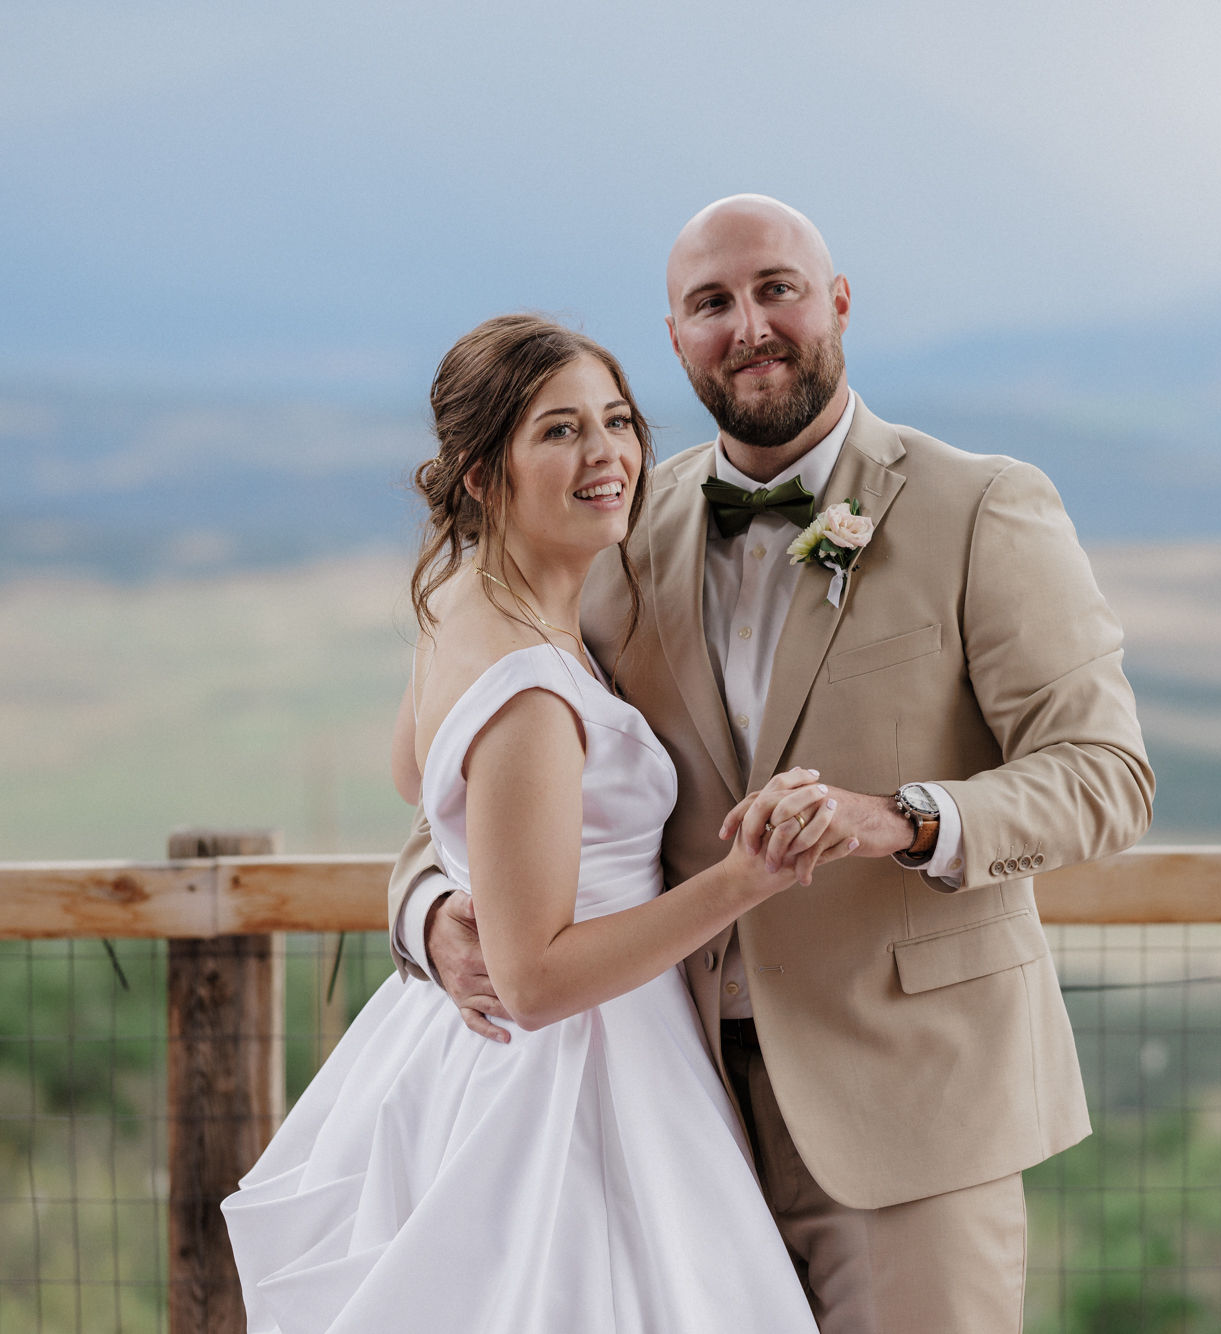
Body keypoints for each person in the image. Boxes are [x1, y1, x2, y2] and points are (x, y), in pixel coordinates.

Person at [389, 196, 1156, 1331]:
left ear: (837, 301)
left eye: (775, 288)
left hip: (910, 1109)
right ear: (676, 338)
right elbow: (493, 748)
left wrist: (904, 817)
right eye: (711, 304)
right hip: (662, 1101)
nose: (748, 325)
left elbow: (1104, 773)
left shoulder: (979, 506)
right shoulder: (616, 521)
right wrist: (429, 906)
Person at [223, 315, 827, 1333]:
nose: (606, 455)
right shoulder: (534, 696)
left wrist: (450, 891)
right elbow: (537, 979)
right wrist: (744, 877)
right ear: (479, 470)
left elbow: (413, 770)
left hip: (457, 1054)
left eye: (618, 420)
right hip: (571, 1080)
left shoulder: (461, 597)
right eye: (558, 431)